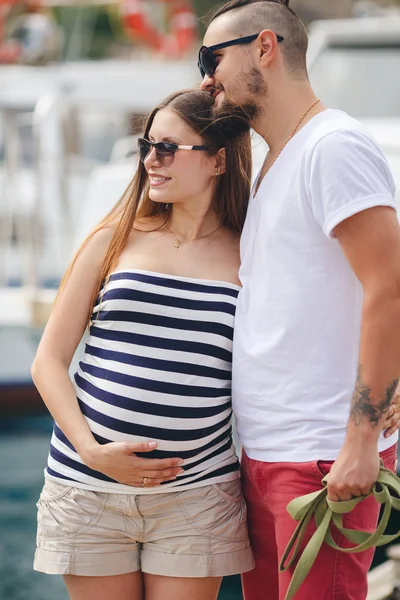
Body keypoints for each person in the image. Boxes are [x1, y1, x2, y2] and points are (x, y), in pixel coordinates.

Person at [199, 1, 400, 599]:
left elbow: (388, 284)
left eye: (212, 58)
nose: (204, 78)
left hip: (318, 462)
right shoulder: (276, 160)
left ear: (265, 48)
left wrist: (362, 443)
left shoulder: (331, 146)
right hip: (265, 454)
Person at [31, 88, 255, 600]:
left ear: (218, 160)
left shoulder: (252, 253)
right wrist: (92, 451)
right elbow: (48, 361)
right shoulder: (113, 238)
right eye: (147, 145)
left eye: (170, 148)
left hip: (196, 496)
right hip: (87, 486)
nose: (152, 160)